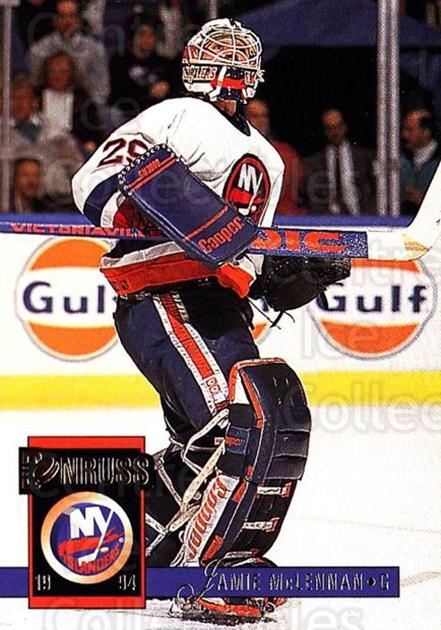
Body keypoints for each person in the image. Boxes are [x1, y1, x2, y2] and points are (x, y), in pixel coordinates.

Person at [72, 19, 350, 622]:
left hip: (220, 307)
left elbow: (244, 258)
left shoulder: (270, 160)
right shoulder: (177, 116)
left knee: (227, 436)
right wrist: (165, 210)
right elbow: (93, 184)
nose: (229, 70)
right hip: (164, 292)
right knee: (242, 421)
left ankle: (134, 554)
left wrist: (287, 277)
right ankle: (207, 575)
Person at [28, 0, 110, 106]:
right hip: (46, 105)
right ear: (54, 20)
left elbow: (101, 89)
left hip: (85, 107)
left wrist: (88, 110)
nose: (67, 22)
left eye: (72, 16)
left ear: (79, 20)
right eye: (62, 16)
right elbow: (35, 86)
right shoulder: (38, 51)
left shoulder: (95, 50)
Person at [304, 108, 375, 215]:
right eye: (330, 128)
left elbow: (374, 189)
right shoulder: (316, 161)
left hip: (359, 216)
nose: (335, 132)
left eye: (338, 126)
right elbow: (314, 195)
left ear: (345, 127)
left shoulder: (363, 157)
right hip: (328, 217)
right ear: (325, 131)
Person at [109, 11, 177, 119]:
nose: (147, 39)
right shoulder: (119, 61)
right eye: (142, 34)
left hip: (158, 115)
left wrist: (166, 88)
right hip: (128, 114)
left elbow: (174, 89)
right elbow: (118, 94)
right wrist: (148, 92)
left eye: (151, 34)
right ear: (133, 36)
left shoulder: (164, 63)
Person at [245, 98, 306, 215]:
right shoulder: (233, 151)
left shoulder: (287, 153)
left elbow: (299, 191)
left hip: (284, 218)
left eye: (264, 116)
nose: (261, 121)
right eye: (254, 116)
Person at [35, 50, 104, 152]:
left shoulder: (82, 99)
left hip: (73, 149)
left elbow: (95, 132)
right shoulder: (35, 96)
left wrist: (90, 143)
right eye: (53, 71)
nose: (57, 76)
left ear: (71, 74)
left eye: (63, 72)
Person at [401, 108, 440, 216]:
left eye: (410, 130)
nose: (404, 135)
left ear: (426, 132)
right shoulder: (400, 159)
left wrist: (425, 201)